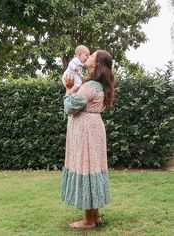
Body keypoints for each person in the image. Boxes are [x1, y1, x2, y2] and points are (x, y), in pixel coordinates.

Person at [61, 49, 115, 229]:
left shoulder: (90, 86)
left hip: (86, 130)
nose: (89, 56)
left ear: (96, 64)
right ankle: (96, 215)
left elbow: (70, 106)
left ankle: (88, 220)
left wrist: (68, 90)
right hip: (93, 129)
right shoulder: (97, 85)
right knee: (93, 167)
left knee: (85, 166)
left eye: (92, 56)